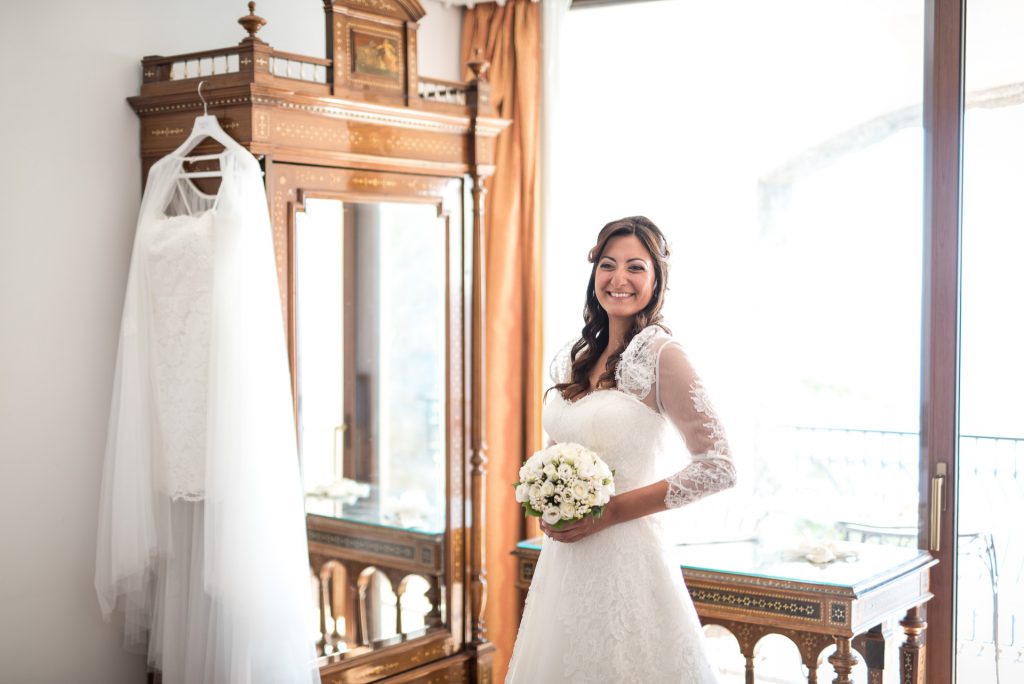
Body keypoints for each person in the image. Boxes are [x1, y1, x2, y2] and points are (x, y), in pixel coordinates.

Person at [505, 216, 737, 684]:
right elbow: (562, 446)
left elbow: (719, 467)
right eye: (608, 265)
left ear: (656, 280)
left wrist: (610, 512)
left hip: (628, 561)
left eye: (636, 267)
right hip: (565, 563)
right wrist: (547, 497)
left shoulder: (662, 355)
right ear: (594, 276)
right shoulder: (576, 355)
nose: (619, 279)